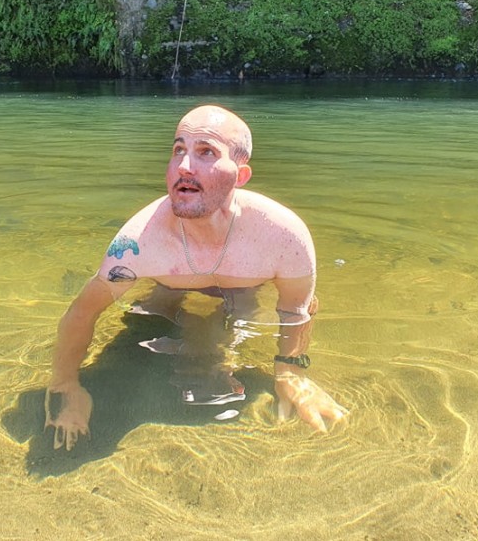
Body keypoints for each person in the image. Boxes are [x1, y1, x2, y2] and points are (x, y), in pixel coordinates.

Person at [45, 104, 348, 450]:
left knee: (236, 319)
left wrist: (291, 374)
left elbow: (297, 310)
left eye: (205, 152)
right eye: (178, 150)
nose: (183, 166)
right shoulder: (138, 242)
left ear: (240, 175)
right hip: (168, 282)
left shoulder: (283, 237)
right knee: (154, 313)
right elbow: (82, 312)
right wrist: (66, 385)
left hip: (245, 285)